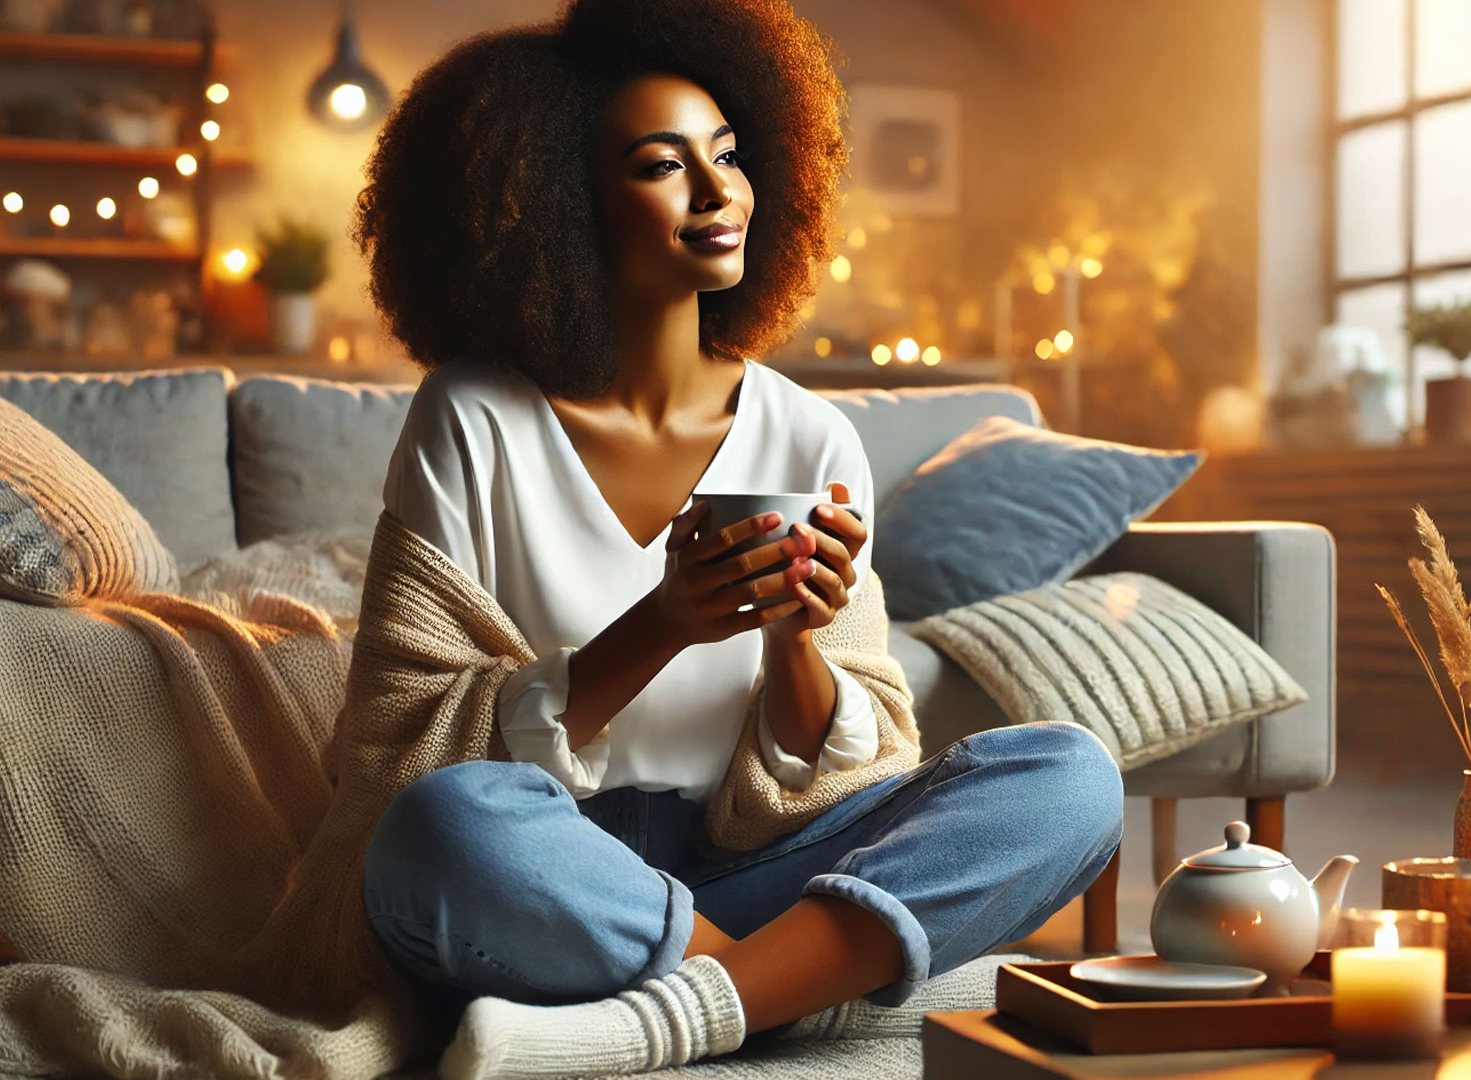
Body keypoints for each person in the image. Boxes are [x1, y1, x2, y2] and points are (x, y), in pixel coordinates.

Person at [352, 1, 1125, 1076]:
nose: (720, 192)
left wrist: (794, 645)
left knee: (1070, 778)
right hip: (541, 878)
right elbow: (395, 753)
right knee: (443, 829)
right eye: (664, 165)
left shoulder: (811, 433)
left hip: (752, 872)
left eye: (727, 154)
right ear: (555, 202)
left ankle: (681, 1012)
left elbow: (852, 773)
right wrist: (663, 624)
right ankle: (794, 988)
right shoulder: (473, 417)